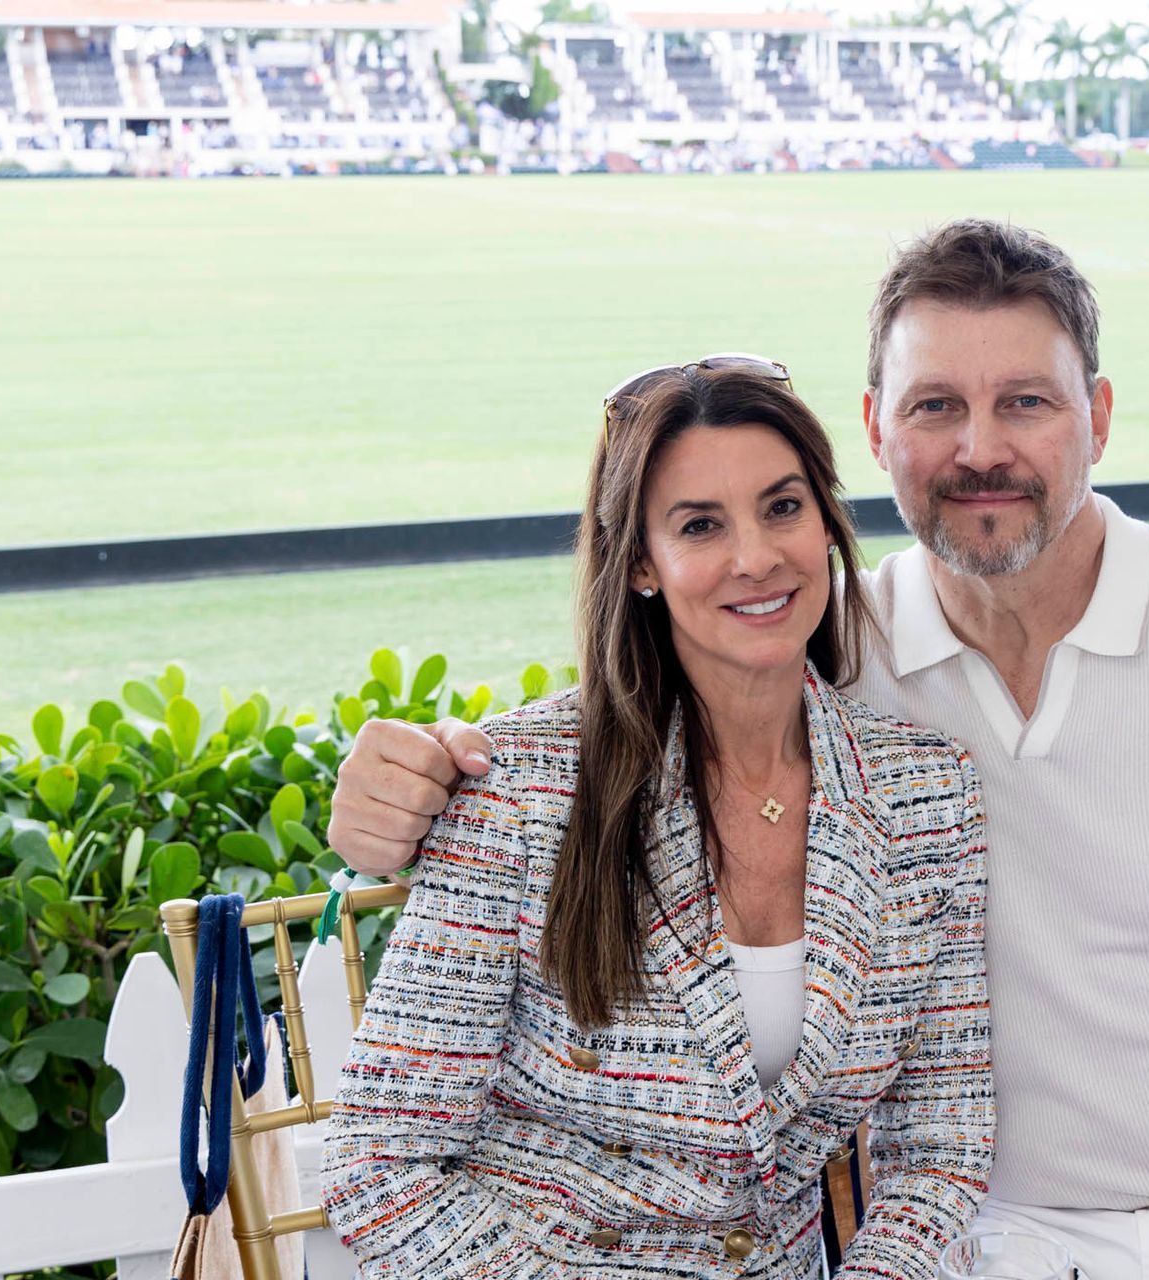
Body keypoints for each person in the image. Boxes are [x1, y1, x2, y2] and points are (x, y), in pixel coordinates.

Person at [327, 221, 1149, 1280]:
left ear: (1100, 416)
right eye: (935, 407)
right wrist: (421, 768)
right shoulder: (825, 650)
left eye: (1025, 400)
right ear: (875, 429)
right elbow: (643, 697)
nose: (981, 448)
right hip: (1002, 1242)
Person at [319, 359, 993, 1278]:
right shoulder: (521, 789)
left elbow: (941, 1154)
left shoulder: (928, 796)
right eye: (700, 525)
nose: (756, 556)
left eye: (783, 507)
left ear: (828, 524)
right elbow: (378, 1163)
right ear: (640, 561)